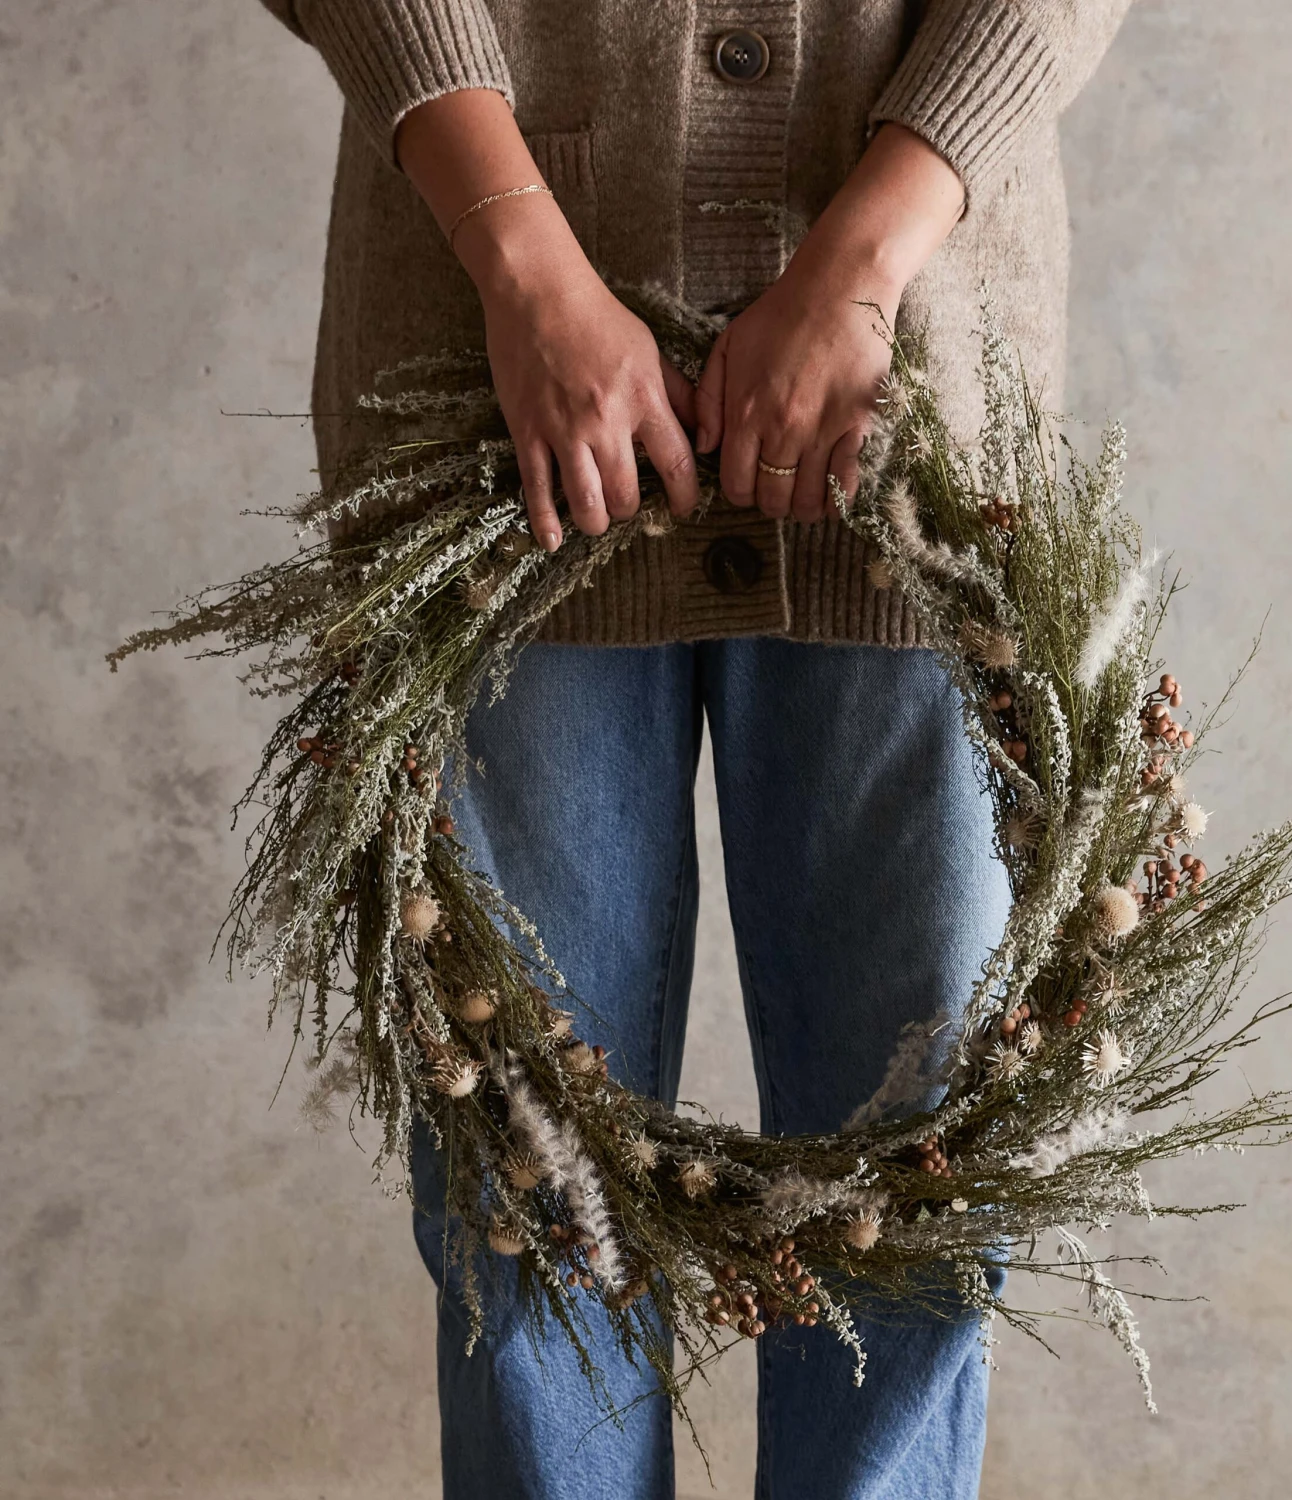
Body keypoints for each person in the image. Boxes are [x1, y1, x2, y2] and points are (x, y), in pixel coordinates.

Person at [259, 4, 1131, 1496]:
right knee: (521, 1170)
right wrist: (523, 258)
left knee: (920, 1173)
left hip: (912, 408)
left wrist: (862, 261)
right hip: (494, 401)